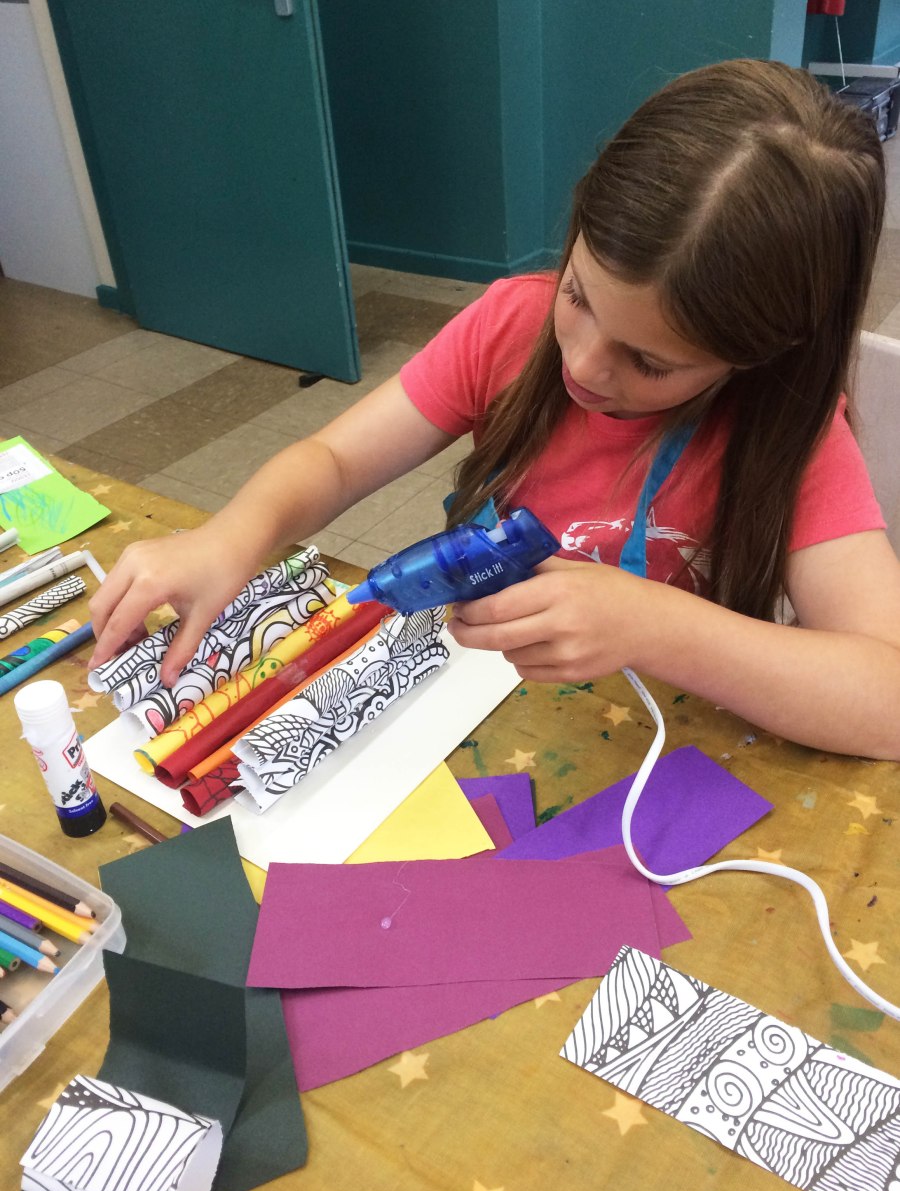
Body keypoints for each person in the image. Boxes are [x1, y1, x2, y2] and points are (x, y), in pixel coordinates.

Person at [88, 58, 900, 760]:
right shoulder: (512, 324)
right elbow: (333, 460)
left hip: (648, 755)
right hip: (468, 713)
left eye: (649, 362)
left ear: (759, 354)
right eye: (578, 295)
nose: (583, 365)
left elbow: (888, 694)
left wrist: (656, 626)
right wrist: (232, 535)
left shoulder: (792, 432)